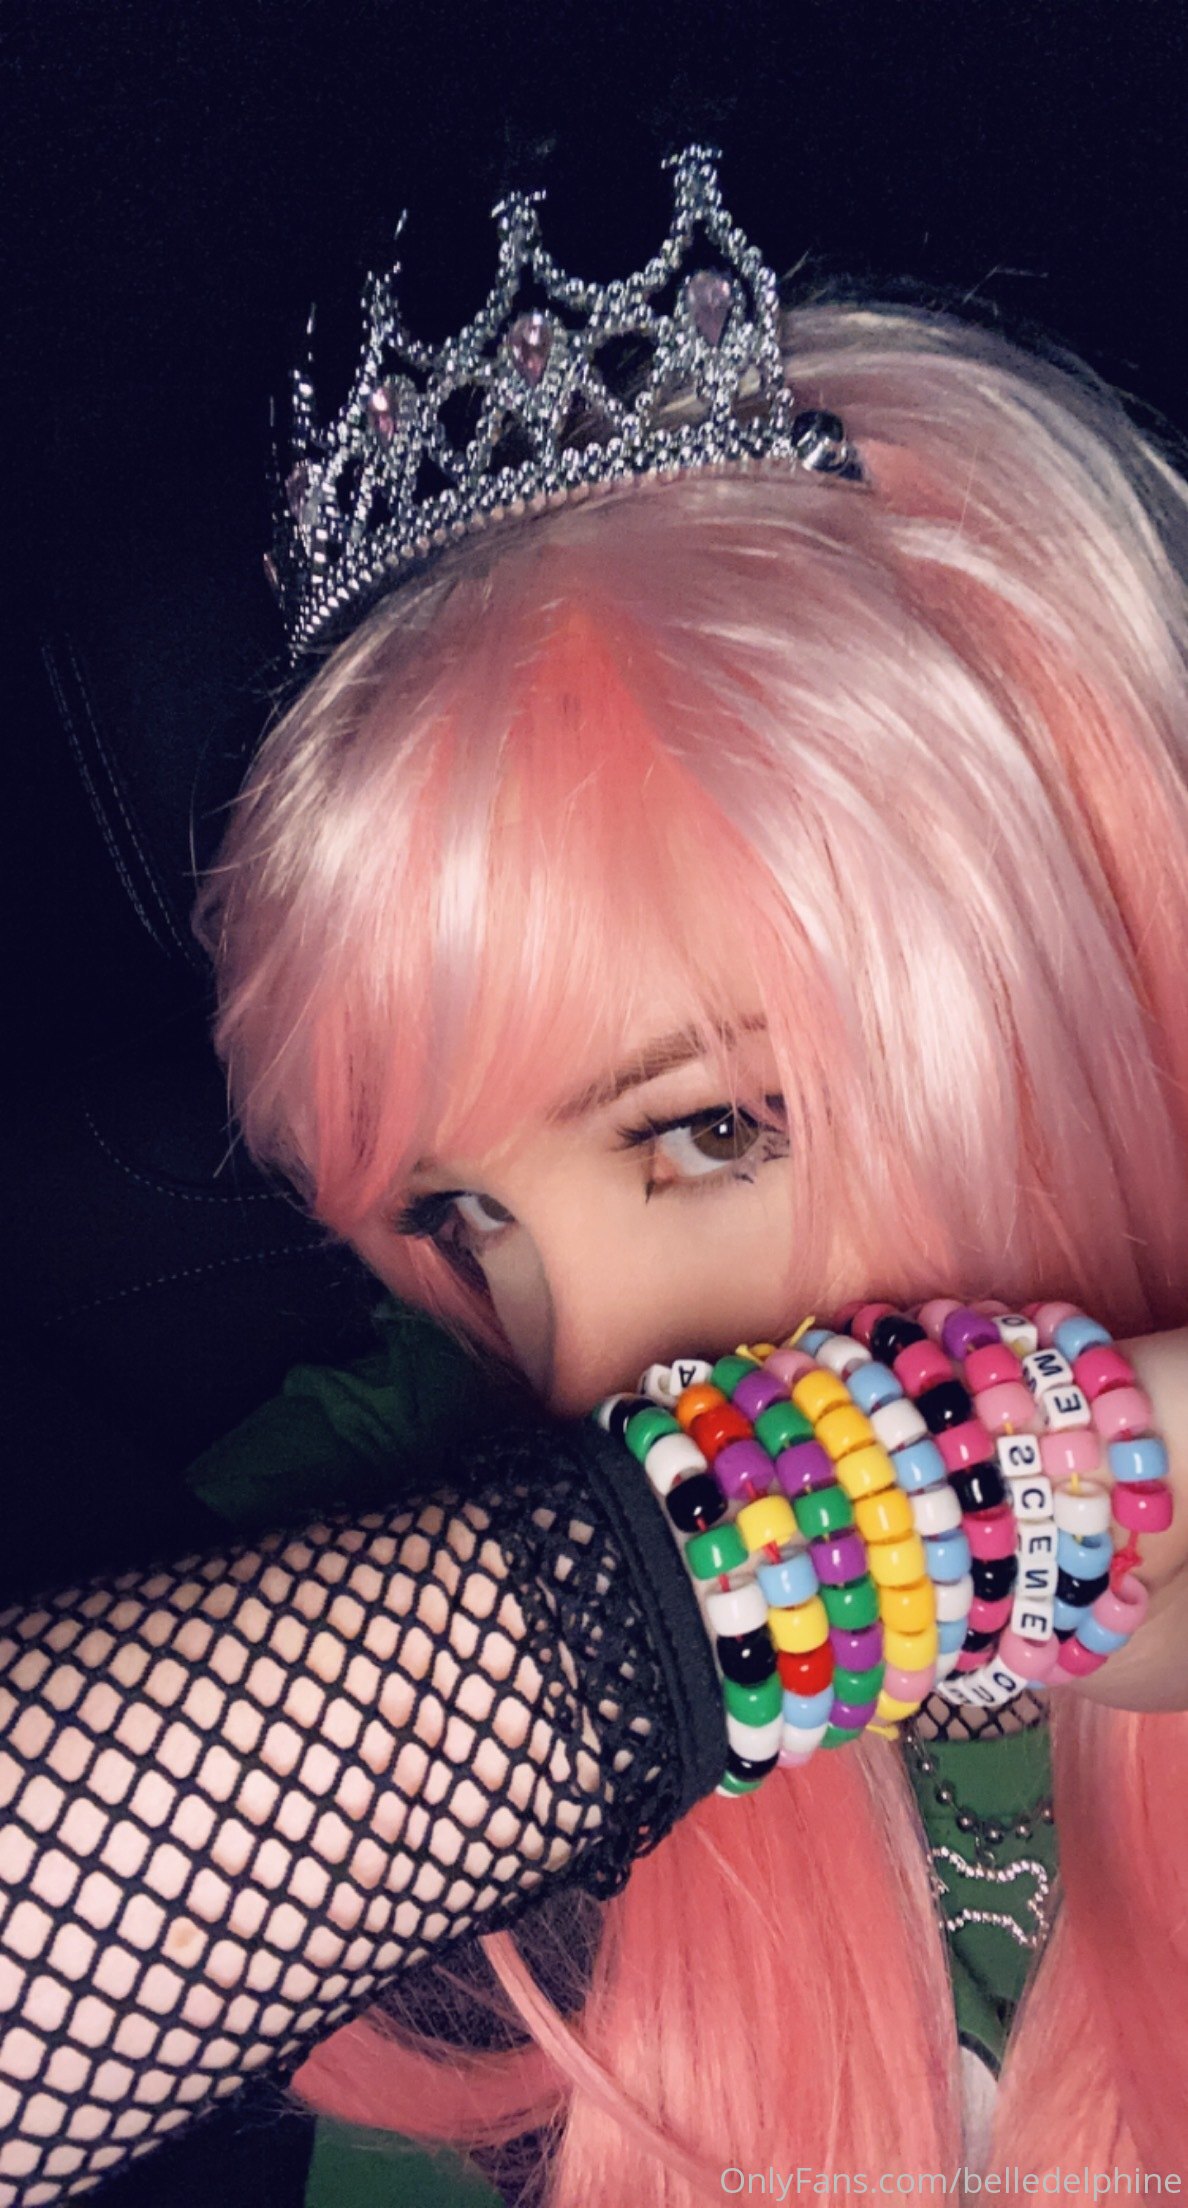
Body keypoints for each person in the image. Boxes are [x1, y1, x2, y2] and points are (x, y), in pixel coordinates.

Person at [4, 143, 1188, 2204]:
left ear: (1083, 982)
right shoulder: (490, 1804)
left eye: (710, 1128)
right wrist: (934, 1510)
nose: (597, 1382)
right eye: (471, 1221)